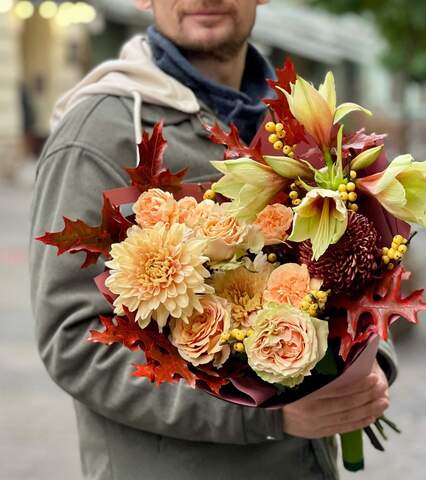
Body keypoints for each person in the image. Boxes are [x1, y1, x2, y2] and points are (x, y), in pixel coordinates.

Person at [30, 1, 396, 479]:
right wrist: (260, 416)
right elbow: (73, 340)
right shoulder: (100, 131)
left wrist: (364, 365)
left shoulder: (299, 120)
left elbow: (356, 270)